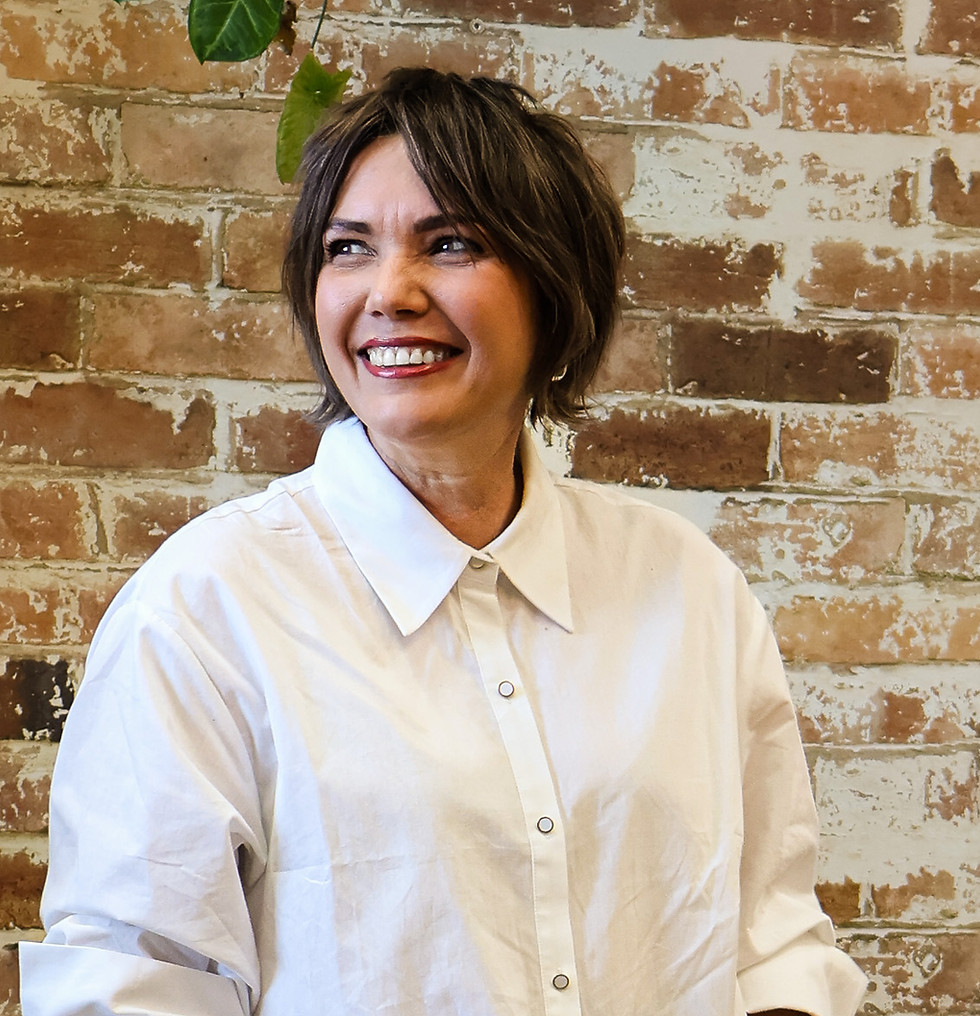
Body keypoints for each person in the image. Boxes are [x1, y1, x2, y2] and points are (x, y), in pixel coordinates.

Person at [19, 68, 867, 1015]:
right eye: (348, 249)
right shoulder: (207, 607)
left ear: (554, 283)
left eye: (450, 243)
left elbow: (773, 942)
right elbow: (135, 986)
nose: (391, 292)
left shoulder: (688, 588)